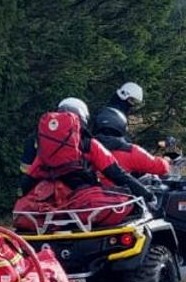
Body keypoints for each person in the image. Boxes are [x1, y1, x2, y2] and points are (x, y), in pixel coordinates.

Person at [15, 98, 156, 228]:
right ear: (83, 119)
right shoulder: (89, 145)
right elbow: (117, 174)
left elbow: (28, 181)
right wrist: (147, 195)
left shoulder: (44, 153)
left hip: (51, 207)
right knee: (127, 203)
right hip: (82, 205)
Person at [93, 106, 172, 177]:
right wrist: (166, 161)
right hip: (119, 192)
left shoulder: (85, 147)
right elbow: (161, 168)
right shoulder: (130, 151)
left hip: (88, 192)